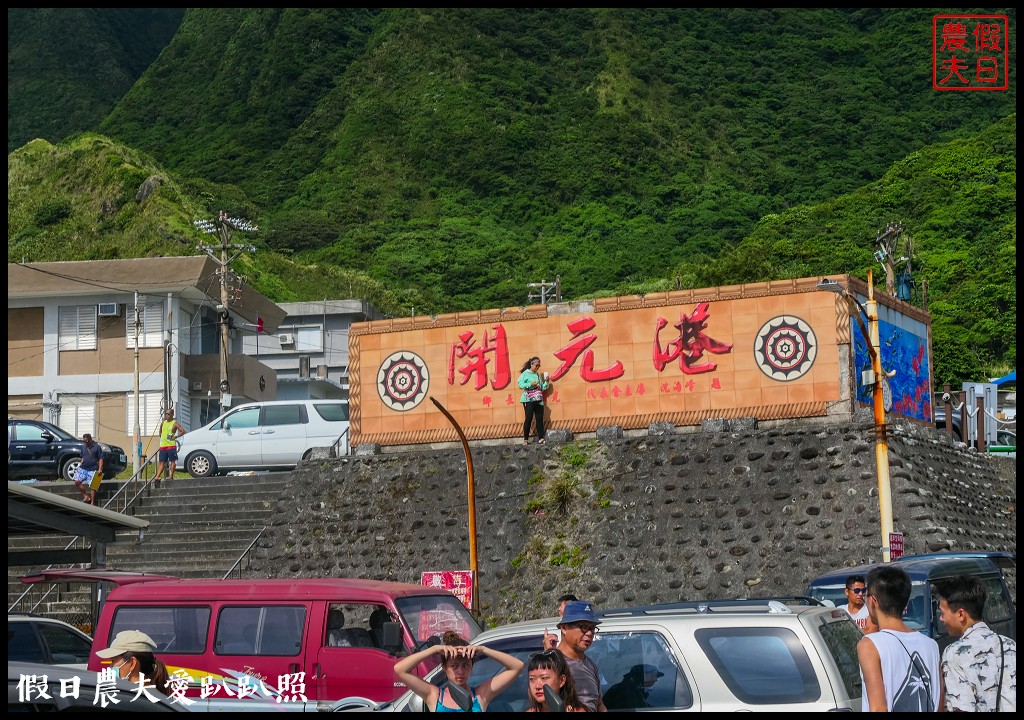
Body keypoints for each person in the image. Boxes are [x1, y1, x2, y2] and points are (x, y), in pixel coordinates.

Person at [857, 565, 942, 712]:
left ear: (873, 601)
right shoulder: (932, 646)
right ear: (905, 601)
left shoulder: (870, 645)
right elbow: (939, 704)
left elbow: (878, 708)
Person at [936, 574, 1016, 712]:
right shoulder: (1010, 645)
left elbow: (961, 707)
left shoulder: (954, 654)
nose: (941, 619)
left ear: (961, 614)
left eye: (942, 613)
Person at [394, 630, 524, 712]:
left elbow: (517, 666)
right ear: (444, 667)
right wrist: (433, 650)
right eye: (454, 666)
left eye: (465, 665)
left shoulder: (480, 695)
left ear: (472, 667)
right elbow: (400, 669)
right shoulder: (435, 695)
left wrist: (484, 650)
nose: (460, 671)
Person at [557, 600, 607, 712]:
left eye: (592, 628)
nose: (589, 633)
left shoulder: (590, 665)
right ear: (564, 628)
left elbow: (599, 705)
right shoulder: (552, 664)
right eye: (584, 627)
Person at [96, 629, 171, 695]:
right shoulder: (137, 693)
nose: (110, 667)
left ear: (132, 663)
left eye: (113, 661)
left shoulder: (139, 698)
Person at [517, 357, 550, 445]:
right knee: (528, 418)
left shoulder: (538, 375)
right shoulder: (525, 374)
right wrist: (529, 384)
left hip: (538, 399)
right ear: (531, 364)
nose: (537, 367)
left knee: (539, 418)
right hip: (528, 399)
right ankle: (525, 439)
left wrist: (546, 382)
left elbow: (542, 388)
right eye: (536, 365)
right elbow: (520, 384)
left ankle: (541, 438)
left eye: (539, 366)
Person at [154, 408, 186, 483]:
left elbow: (183, 431)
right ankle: (157, 476)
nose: (166, 416)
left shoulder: (174, 423)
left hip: (171, 446)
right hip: (163, 446)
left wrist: (176, 436)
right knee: (162, 461)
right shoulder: (163, 423)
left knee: (172, 461)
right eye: (166, 414)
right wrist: (162, 438)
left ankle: (171, 476)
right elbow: (160, 432)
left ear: (172, 415)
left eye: (168, 414)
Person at [73, 433, 104, 505]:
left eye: (87, 441)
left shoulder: (97, 447)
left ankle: (92, 502)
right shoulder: (84, 447)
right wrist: (80, 464)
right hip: (83, 468)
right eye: (84, 441)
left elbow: (100, 459)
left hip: (93, 469)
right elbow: (83, 457)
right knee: (76, 481)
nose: (85, 443)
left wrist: (100, 468)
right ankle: (86, 497)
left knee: (93, 486)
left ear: (90, 439)